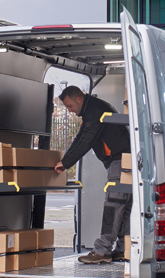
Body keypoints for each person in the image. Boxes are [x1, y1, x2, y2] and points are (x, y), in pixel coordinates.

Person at [54, 85, 131, 264]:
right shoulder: (93, 109)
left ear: (79, 100)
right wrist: (65, 161)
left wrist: (65, 163)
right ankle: (122, 249)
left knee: (114, 204)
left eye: (69, 106)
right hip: (125, 160)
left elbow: (86, 141)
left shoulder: (94, 111)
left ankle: (102, 250)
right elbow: (81, 137)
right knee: (124, 206)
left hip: (120, 162)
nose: (70, 110)